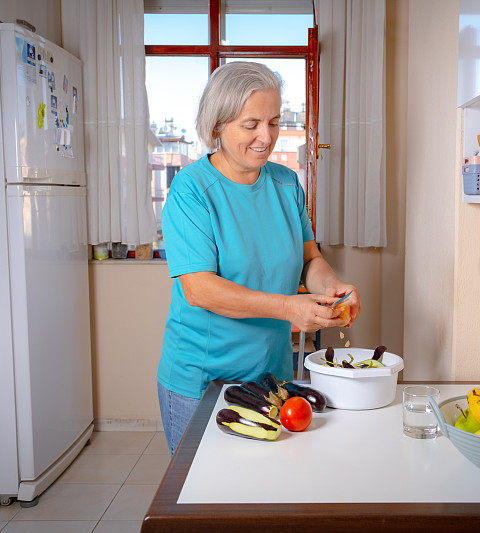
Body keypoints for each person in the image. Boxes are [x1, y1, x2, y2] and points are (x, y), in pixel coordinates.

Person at [157, 61, 361, 454]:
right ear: (218, 125)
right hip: (202, 380)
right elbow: (199, 290)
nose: (265, 137)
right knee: (204, 502)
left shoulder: (285, 184)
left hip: (273, 376)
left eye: (274, 121)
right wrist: (288, 307)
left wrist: (333, 287)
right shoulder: (191, 191)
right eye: (250, 125)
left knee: (263, 494)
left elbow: (309, 259)